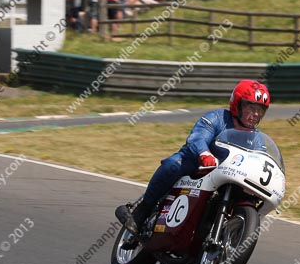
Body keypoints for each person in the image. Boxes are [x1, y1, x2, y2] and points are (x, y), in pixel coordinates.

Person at [115, 80, 271, 235]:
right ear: (237, 104)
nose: (256, 114)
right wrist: (204, 153)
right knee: (173, 164)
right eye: (251, 107)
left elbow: (259, 160)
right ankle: (141, 212)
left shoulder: (256, 138)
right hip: (197, 164)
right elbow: (198, 137)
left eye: (260, 110)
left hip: (226, 176)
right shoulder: (218, 117)